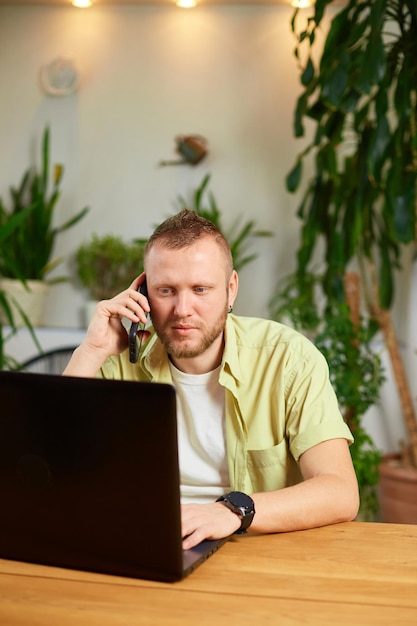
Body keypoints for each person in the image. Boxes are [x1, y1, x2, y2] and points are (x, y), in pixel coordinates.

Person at [64, 209, 359, 549]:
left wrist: (233, 512)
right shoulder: (116, 359)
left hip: (253, 544)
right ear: (143, 292)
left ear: (231, 289)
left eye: (200, 289)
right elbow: (50, 462)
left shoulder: (288, 359)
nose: (182, 309)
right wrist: (91, 351)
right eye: (165, 291)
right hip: (143, 541)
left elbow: (340, 491)